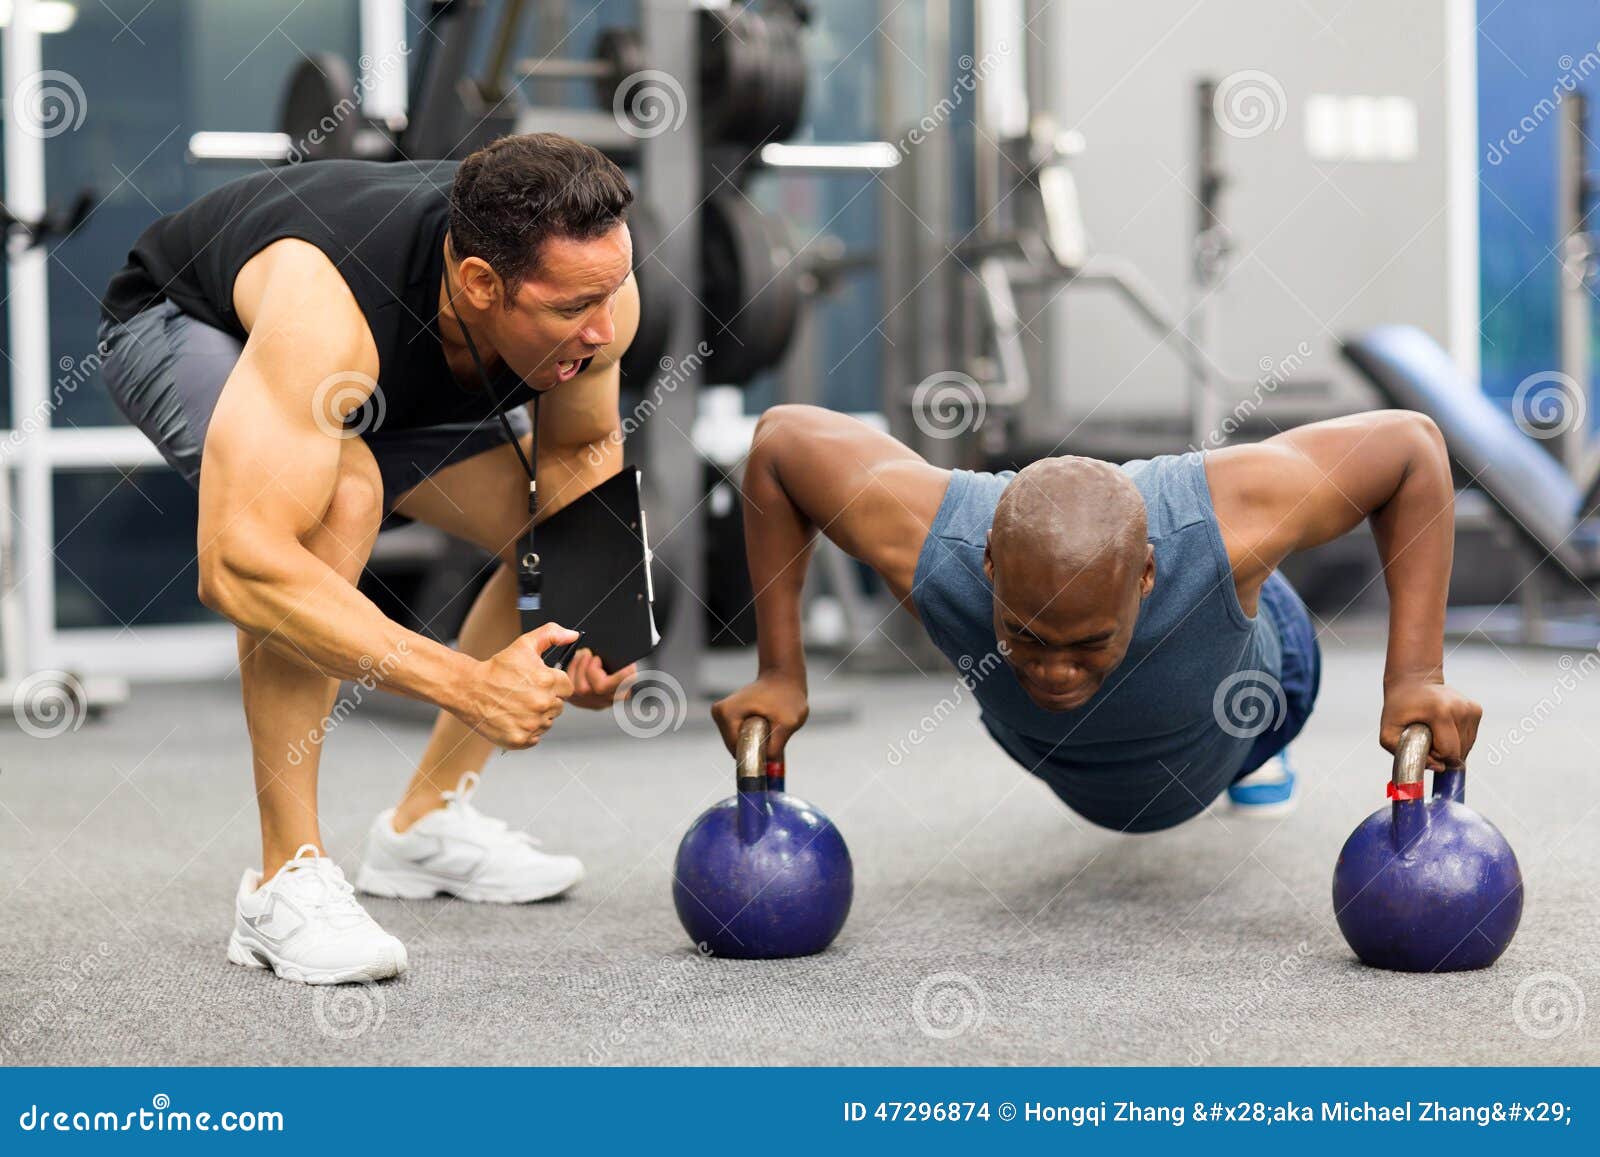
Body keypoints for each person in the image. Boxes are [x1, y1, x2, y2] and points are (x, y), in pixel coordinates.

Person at [97, 134, 640, 985]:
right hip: (185, 323)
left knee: (551, 534)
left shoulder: (595, 294)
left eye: (612, 290)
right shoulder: (326, 306)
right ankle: (284, 880)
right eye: (576, 307)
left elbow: (580, 454)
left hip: (385, 377)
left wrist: (600, 610)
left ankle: (422, 827)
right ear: (479, 285)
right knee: (335, 503)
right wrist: (468, 682)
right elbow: (241, 564)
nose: (605, 329)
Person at [713, 405, 1482, 834]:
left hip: (1249, 701)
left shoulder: (1218, 523)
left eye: (1086, 645)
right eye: (1027, 637)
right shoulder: (932, 543)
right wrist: (780, 672)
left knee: (1250, 614)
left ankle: (1255, 754)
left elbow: (1412, 448)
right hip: (1054, 752)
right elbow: (780, 444)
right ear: (987, 566)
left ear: (1147, 574)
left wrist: (1416, 677)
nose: (1052, 670)